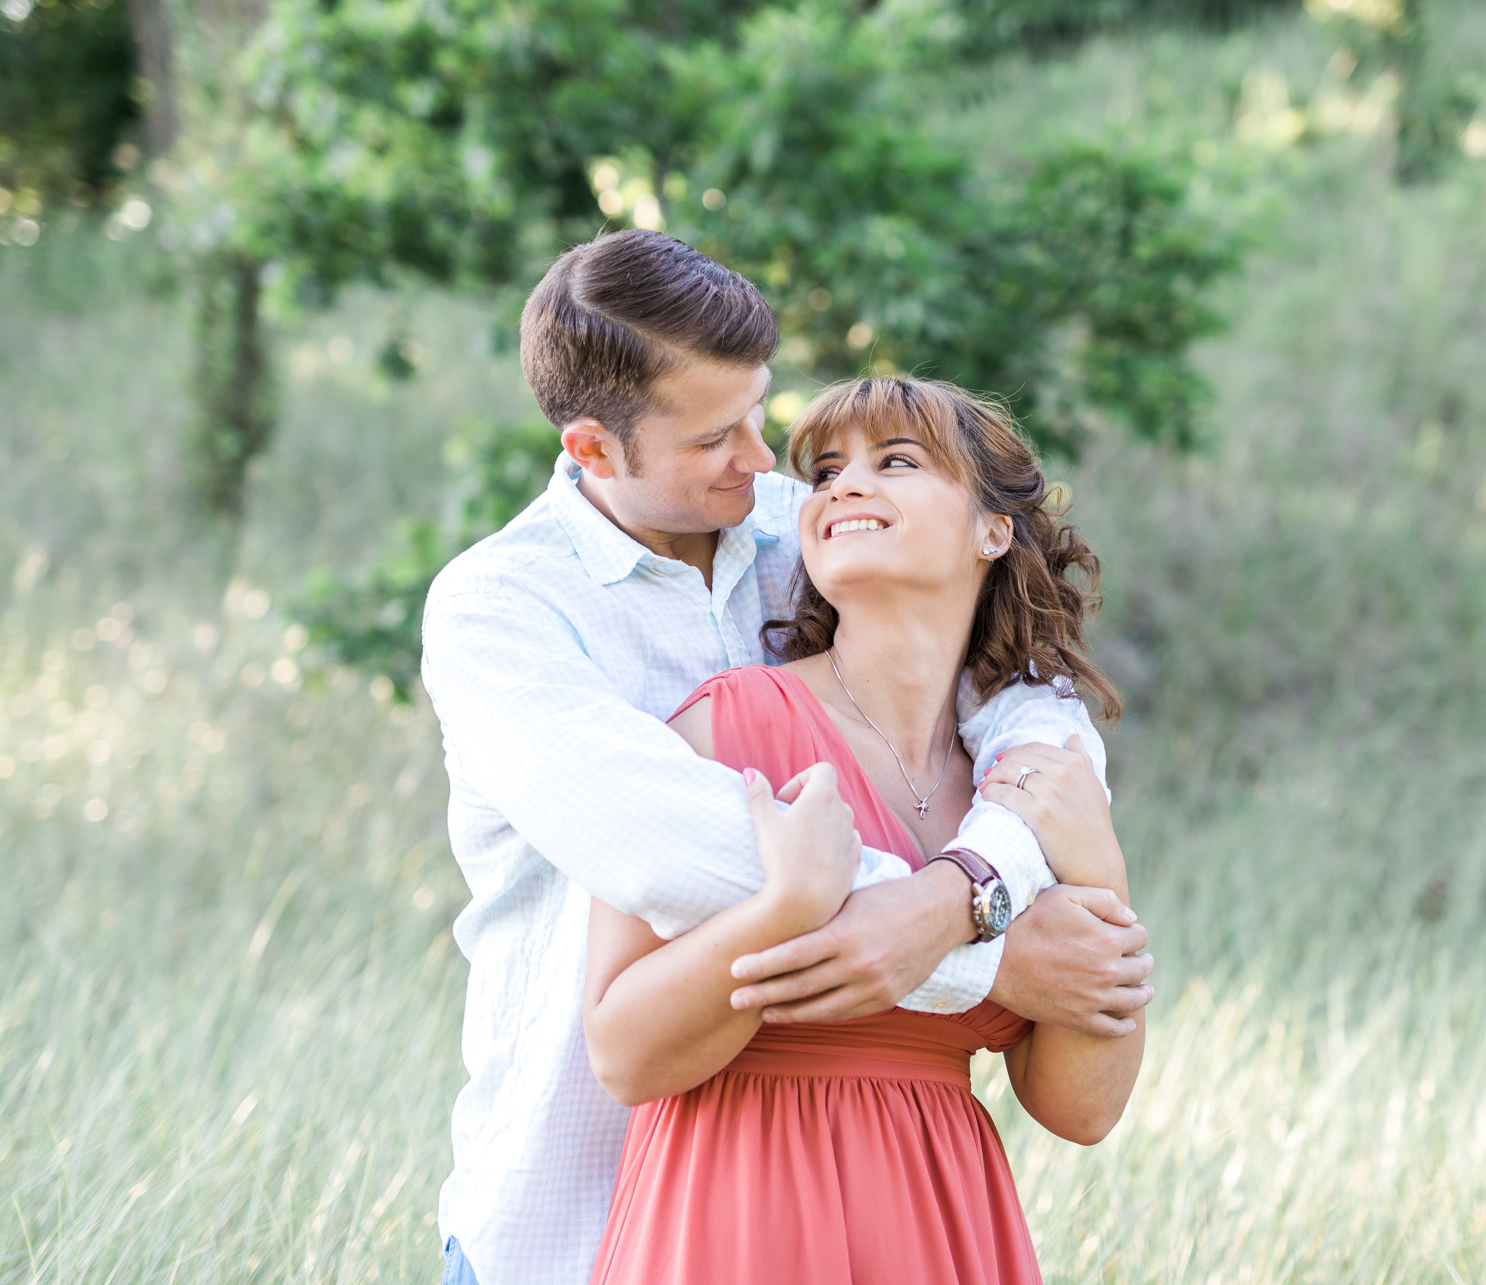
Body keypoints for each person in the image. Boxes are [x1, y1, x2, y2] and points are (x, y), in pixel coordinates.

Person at [420, 230, 1156, 1285]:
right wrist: (990, 951)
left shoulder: (803, 532)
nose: (765, 463)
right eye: (717, 436)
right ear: (591, 450)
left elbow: (1039, 721)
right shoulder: (505, 613)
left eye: (761, 416)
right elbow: (686, 853)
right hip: (571, 1211)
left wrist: (978, 881)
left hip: (912, 1216)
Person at [583, 376, 1140, 1284]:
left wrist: (1101, 874)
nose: (842, 484)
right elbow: (623, 1053)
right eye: (829, 468)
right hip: (737, 1214)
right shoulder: (730, 729)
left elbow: (1082, 1108)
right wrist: (790, 909)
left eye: (898, 461)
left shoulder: (1029, 784)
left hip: (936, 1217)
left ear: (992, 529)